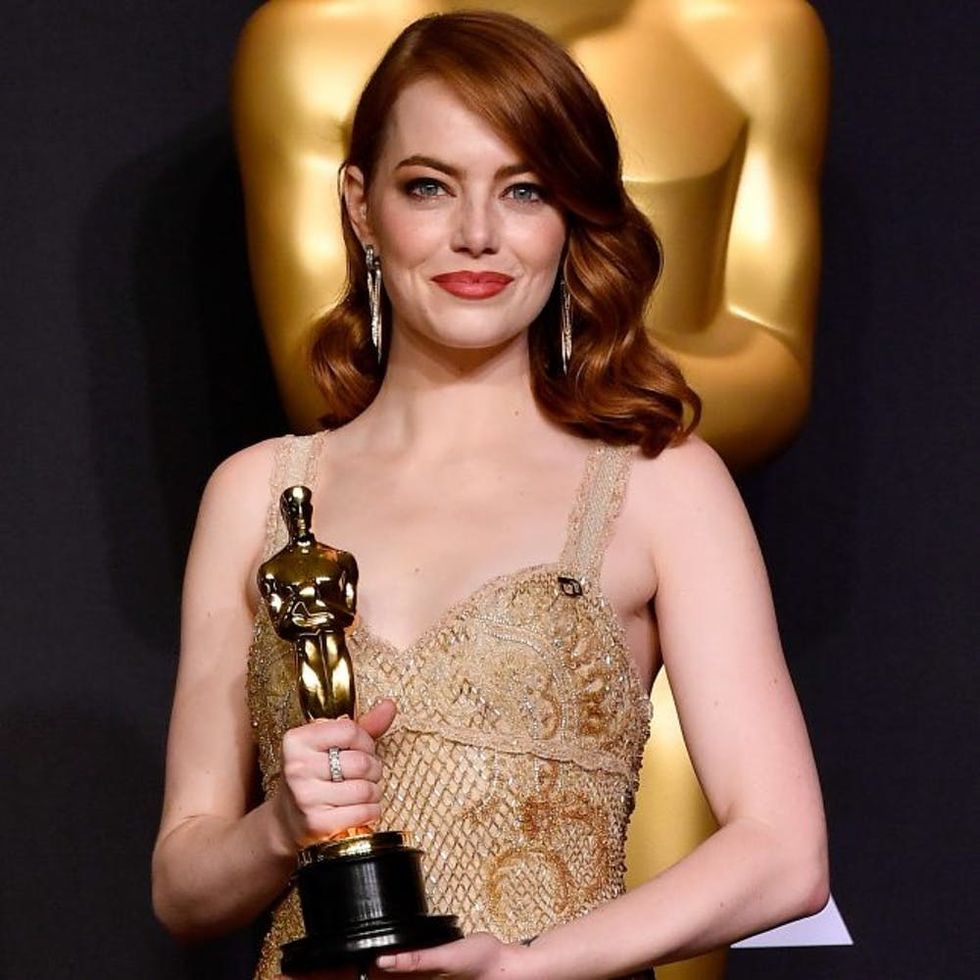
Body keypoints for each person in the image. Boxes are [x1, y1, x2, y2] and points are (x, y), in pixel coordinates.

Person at [152, 11, 828, 980]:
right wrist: (281, 827)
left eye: (523, 190)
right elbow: (181, 887)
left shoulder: (655, 482)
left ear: (570, 217)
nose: (476, 233)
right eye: (428, 186)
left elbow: (782, 853)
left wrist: (525, 965)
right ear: (359, 205)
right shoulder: (258, 492)